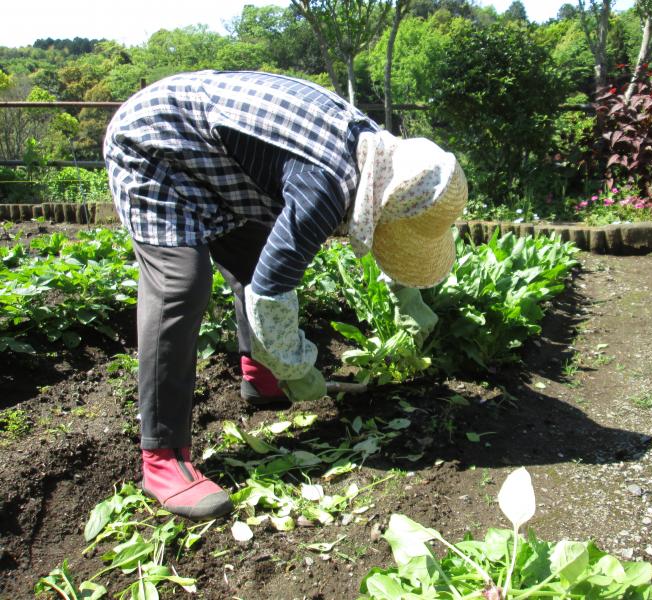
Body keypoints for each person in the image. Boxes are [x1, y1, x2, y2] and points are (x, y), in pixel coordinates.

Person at [104, 70, 468, 519]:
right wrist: (297, 365)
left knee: (254, 252)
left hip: (215, 157)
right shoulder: (326, 186)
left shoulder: (379, 152)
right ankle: (163, 457)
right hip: (156, 142)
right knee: (181, 285)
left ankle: (260, 376)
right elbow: (271, 293)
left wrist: (407, 295)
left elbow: (389, 219)